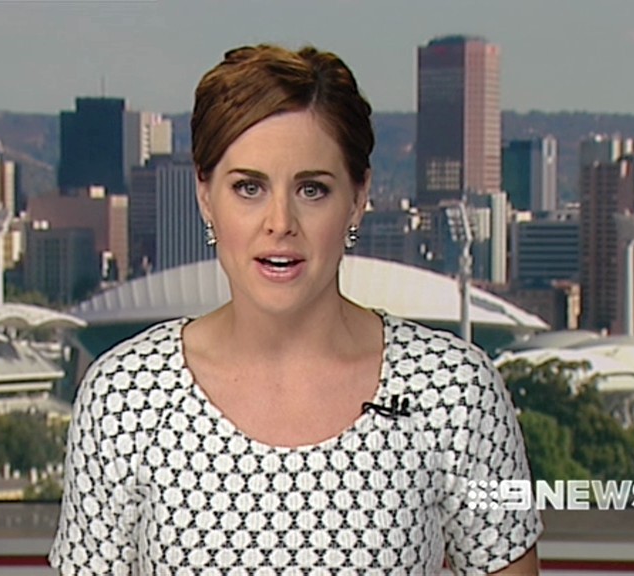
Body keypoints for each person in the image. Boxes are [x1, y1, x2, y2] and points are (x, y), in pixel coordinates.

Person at [50, 43, 543, 575]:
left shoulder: (455, 390)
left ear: (357, 198)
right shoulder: (124, 396)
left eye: (311, 189)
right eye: (249, 188)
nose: (280, 223)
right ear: (205, 196)